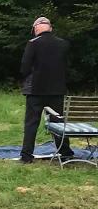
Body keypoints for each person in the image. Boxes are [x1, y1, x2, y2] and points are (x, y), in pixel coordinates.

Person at [18, 16, 74, 164]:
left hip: (35, 90)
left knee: (31, 123)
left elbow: (24, 67)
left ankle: (26, 155)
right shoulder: (63, 44)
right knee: (58, 123)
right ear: (50, 28)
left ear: (36, 28)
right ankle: (65, 152)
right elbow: (67, 67)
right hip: (57, 90)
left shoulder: (33, 43)